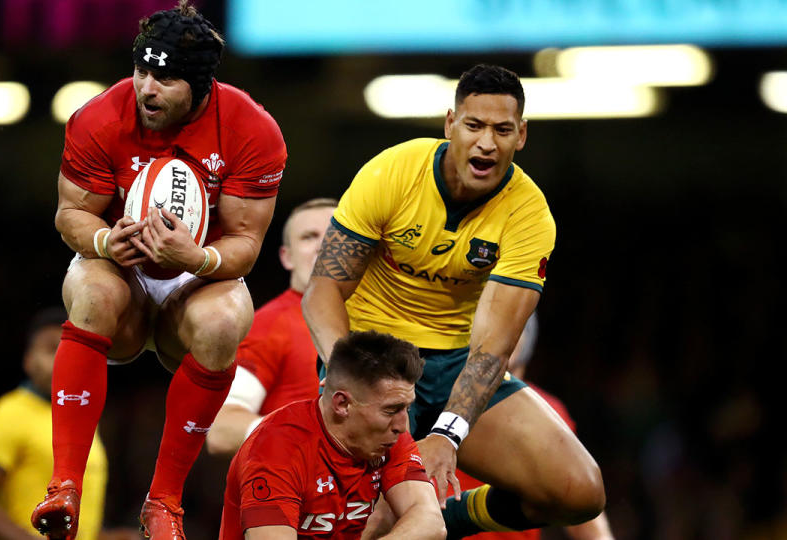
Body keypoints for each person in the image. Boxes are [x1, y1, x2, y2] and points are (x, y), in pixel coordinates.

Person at [302, 64, 606, 536]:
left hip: (455, 364)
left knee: (579, 491)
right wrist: (350, 375)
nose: (487, 142)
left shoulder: (529, 214)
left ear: (521, 135)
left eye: (502, 129)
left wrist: (448, 433)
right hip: (370, 354)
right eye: (474, 125)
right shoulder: (393, 171)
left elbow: (495, 345)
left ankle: (449, 516)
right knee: (360, 524)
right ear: (450, 124)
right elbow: (322, 291)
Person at [30, 1, 287, 538]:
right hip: (119, 264)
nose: (147, 89)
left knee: (221, 326)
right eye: (142, 71)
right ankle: (64, 487)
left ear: (201, 85)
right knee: (93, 295)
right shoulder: (99, 116)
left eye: (165, 79)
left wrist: (196, 259)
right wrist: (104, 238)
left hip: (197, 274)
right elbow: (70, 213)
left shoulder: (253, 130)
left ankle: (164, 501)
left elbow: (245, 242)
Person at [219, 330, 446, 540]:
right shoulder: (276, 451)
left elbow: (430, 522)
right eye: (391, 409)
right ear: (342, 403)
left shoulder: (387, 436)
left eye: (406, 408)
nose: (403, 426)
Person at [0, 307, 140, 540]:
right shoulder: (8, 414)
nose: (62, 358)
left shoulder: (82, 421)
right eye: (51, 349)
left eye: (70, 350)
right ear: (28, 361)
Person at [449, 313, 615, 540]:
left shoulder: (549, 412)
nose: (501, 333)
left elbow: (582, 510)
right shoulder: (440, 395)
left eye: (512, 326)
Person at [205, 198, 337, 456]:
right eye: (309, 237)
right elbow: (221, 429)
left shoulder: (383, 319)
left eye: (334, 235)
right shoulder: (270, 324)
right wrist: (312, 442)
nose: (323, 245)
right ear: (287, 258)